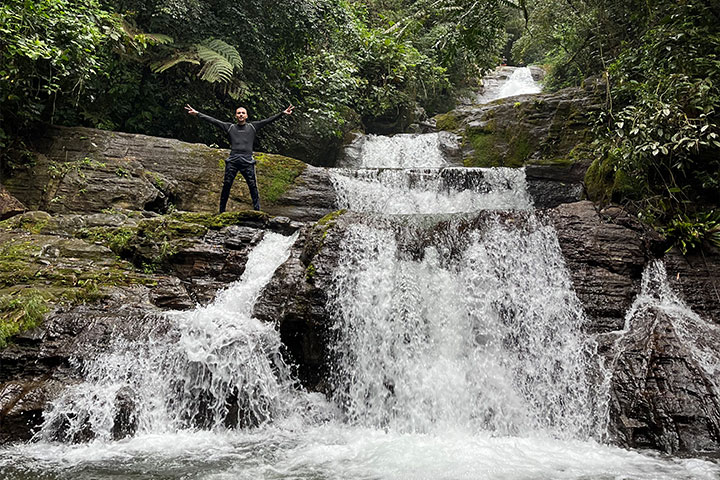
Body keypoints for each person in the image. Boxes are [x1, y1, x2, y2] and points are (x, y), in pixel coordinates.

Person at [185, 103, 294, 212]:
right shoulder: (230, 127)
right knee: (227, 185)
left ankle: (257, 211)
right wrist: (197, 113)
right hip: (233, 161)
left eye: (243, 113)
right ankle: (221, 211)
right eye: (239, 113)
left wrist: (282, 113)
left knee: (253, 186)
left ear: (246, 116)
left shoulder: (252, 127)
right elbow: (213, 121)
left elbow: (268, 120)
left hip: (247, 161)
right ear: (236, 116)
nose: (241, 115)